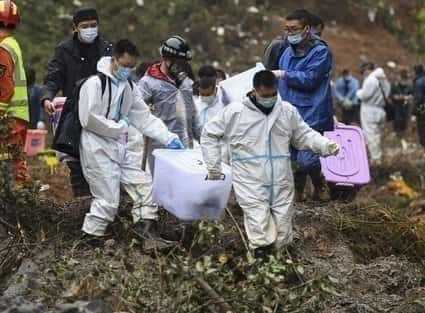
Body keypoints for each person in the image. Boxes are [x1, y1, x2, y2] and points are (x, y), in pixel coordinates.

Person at [201, 70, 339, 258]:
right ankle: (261, 263)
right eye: (265, 95)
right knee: (259, 226)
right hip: (250, 180)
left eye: (273, 94)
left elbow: (303, 135)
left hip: (281, 179)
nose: (269, 99)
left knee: (283, 229)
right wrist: (214, 167)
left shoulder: (286, 111)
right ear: (254, 90)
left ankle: (280, 264)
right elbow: (209, 133)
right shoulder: (236, 112)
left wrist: (324, 145)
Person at [79, 39, 184, 247]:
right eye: (124, 65)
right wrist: (119, 127)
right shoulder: (95, 84)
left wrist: (167, 136)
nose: (127, 70)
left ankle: (146, 232)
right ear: (114, 59)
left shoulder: (128, 86)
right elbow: (88, 118)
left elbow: (143, 117)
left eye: (131, 66)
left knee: (144, 185)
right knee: (108, 199)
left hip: (122, 146)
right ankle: (91, 238)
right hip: (97, 146)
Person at [42, 7, 113, 197]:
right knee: (76, 164)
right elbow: (53, 77)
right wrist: (47, 97)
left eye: (93, 25)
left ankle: (101, 205)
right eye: (85, 26)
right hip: (73, 115)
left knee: (101, 165)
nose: (90, 29)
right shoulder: (64, 50)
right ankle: (81, 205)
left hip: (100, 116)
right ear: (75, 28)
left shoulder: (107, 50)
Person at [274, 9, 334, 201]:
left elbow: (311, 79)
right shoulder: (286, 54)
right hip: (288, 111)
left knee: (307, 159)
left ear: (307, 28)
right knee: (291, 158)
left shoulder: (320, 52)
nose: (290, 33)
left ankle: (319, 183)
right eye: (287, 29)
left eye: (294, 29)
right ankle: (298, 193)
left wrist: (285, 74)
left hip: (312, 112)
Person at [137, 36, 200, 171]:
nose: (183, 67)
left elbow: (192, 115)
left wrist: (202, 139)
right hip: (161, 149)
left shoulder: (186, 83)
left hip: (186, 149)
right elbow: (137, 113)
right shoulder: (148, 83)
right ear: (166, 59)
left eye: (184, 63)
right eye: (179, 63)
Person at [0, 0, 30, 185]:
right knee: (15, 161)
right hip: (17, 115)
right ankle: (25, 199)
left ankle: (21, 201)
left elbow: (5, 87)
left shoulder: (2, 48)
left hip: (9, 117)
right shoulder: (12, 44)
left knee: (10, 163)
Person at [356, 62, 391, 165]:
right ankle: (379, 157)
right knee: (378, 136)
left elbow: (365, 95)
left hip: (370, 111)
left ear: (367, 69)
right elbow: (388, 93)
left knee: (371, 136)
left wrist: (358, 92)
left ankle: (376, 161)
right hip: (380, 110)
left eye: (363, 72)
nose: (363, 74)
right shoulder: (384, 80)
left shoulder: (371, 80)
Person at [390, 67, 413, 139]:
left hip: (405, 104)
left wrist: (407, 97)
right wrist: (397, 97)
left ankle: (402, 134)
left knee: (404, 119)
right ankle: (397, 133)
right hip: (397, 104)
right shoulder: (395, 84)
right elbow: (392, 94)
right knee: (397, 119)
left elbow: (412, 94)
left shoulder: (409, 84)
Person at [413, 64, 425, 148]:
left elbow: (418, 99)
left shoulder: (419, 81)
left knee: (422, 127)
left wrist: (414, 111)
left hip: (422, 109)